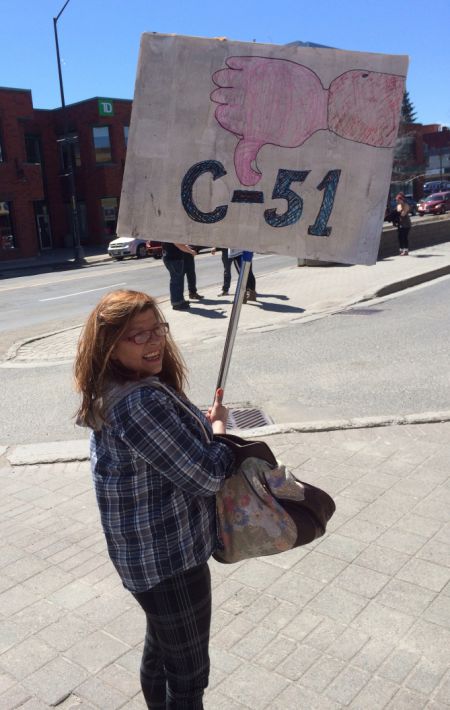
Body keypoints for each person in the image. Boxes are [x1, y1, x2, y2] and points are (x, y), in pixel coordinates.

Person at [74, 289, 235, 709]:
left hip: (148, 557)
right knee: (188, 675)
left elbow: (162, 454)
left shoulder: (120, 388)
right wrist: (219, 434)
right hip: (170, 560)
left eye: (157, 329)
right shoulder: (140, 401)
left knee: (162, 652)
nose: (154, 342)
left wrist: (197, 424)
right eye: (137, 336)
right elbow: (205, 477)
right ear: (110, 347)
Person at [161, 242, 202, 310]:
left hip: (171, 257)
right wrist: (191, 251)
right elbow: (178, 244)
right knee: (176, 281)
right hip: (174, 258)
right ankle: (177, 302)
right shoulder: (173, 232)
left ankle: (180, 301)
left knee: (178, 280)